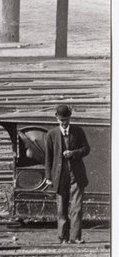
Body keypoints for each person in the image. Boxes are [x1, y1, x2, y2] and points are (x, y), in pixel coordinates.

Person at [45, 103, 90, 244]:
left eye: (66, 120)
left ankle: (75, 237)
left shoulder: (78, 131)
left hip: (76, 175)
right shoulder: (51, 134)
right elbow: (48, 157)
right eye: (61, 121)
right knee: (61, 208)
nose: (64, 123)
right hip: (59, 176)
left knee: (77, 208)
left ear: (70, 118)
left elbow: (86, 149)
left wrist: (73, 153)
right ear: (56, 119)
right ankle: (63, 237)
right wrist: (48, 177)